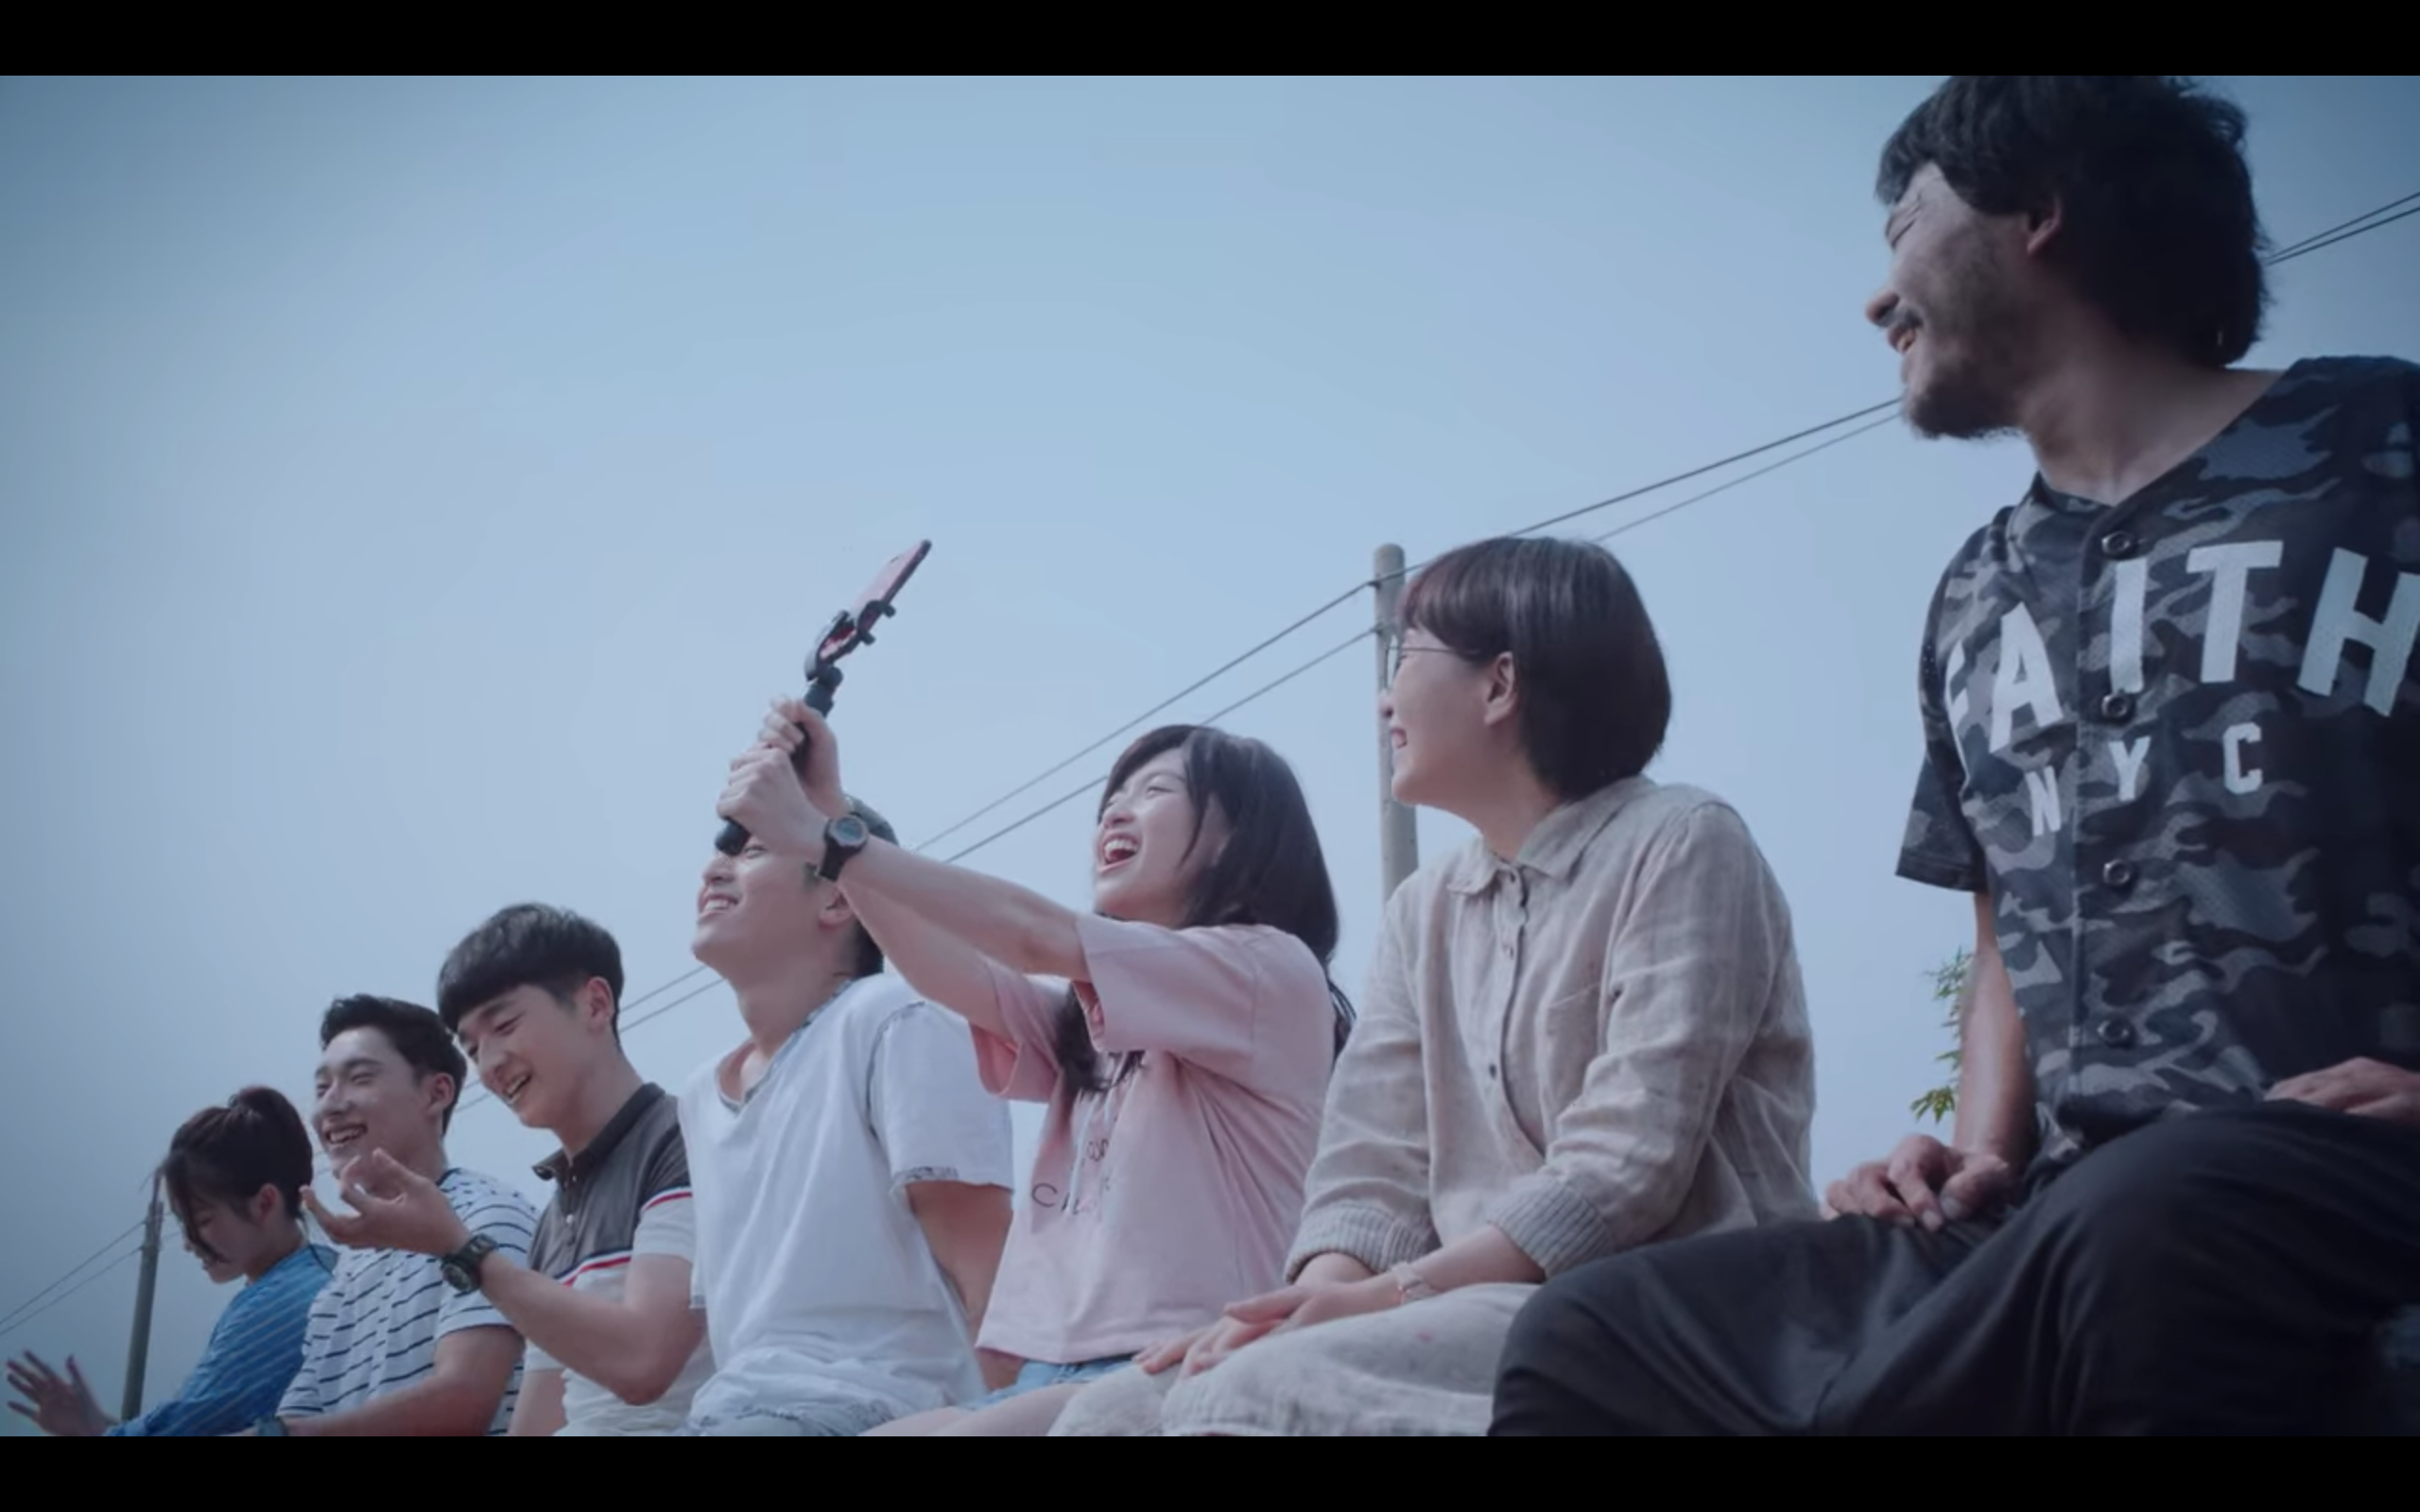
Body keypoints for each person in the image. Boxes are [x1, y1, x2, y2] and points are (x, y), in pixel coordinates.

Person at [1491, 75, 2420, 1437]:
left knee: (2148, 1227)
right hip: (2066, 1206)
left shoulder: (2382, 445)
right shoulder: (1979, 589)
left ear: (2041, 209)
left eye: (1903, 231)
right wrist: (1979, 1152)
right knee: (1590, 1334)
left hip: (2338, 1170)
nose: (1879, 300)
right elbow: (2003, 923)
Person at [1041, 534, 1818, 1436]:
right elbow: (1373, 1165)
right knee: (1111, 1414)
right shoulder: (1426, 908)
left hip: (1680, 1311)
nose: (1384, 700)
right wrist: (1308, 1304)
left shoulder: (1682, 840)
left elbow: (1627, 1162)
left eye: (1403, 661)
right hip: (1475, 1312)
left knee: (1246, 1397)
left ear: (1500, 684)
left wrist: (1392, 1295)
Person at [723, 710, 1354, 1436]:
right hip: (1054, 1374)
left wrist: (832, 843)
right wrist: (832, 815)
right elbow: (947, 967)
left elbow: (1031, 934)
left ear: (1239, 839)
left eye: (1156, 790)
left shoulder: (1267, 969)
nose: (1117, 810)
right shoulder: (1098, 1022)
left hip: (1192, 1358)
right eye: (1114, 797)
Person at [678, 783, 1017, 1436]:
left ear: (838, 897)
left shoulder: (894, 1018)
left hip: (874, 1404)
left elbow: (987, 1272)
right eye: (721, 851)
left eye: (752, 851)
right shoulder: (699, 1095)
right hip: (725, 1411)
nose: (714, 869)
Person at [304, 904, 715, 1435]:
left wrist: (462, 1250)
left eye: (504, 1025)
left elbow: (642, 1365)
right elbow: (538, 1420)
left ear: (594, 1004)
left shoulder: (679, 1137)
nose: (491, 1063)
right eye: (473, 1048)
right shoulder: (553, 1222)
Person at [276, 995, 537, 1436]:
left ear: (437, 1093)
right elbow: (300, 1417)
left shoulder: (488, 1218)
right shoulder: (344, 1274)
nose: (331, 1106)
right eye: (322, 1089)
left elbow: (461, 1403)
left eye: (359, 1079)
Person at [7, 1089, 333, 1436]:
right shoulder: (323, 1272)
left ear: (264, 1203)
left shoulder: (280, 1306)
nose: (189, 1243)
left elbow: (183, 1429)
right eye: (183, 1224)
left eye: (203, 1220)